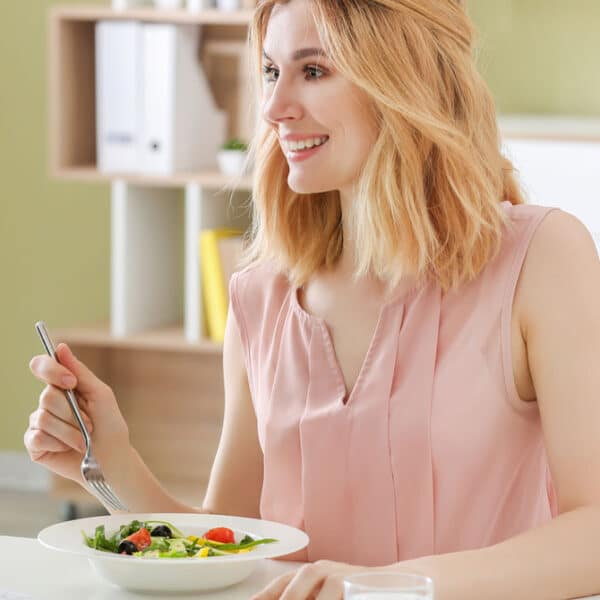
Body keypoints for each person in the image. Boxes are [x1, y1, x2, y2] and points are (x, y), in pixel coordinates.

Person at [25, 0, 600, 598]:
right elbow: (226, 550)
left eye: (314, 70)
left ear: (405, 79)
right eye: (272, 72)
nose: (273, 109)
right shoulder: (260, 297)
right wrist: (113, 463)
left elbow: (594, 535)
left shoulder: (541, 259)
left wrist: (389, 588)